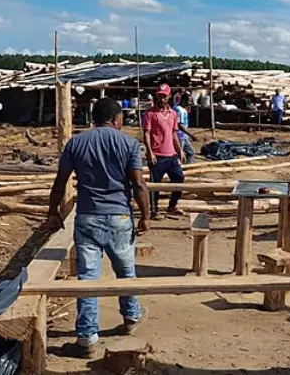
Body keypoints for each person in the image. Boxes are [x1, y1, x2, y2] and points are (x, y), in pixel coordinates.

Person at [46, 98, 150, 357]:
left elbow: (60, 182)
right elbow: (138, 184)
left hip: (88, 217)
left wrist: (52, 212)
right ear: (116, 119)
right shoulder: (128, 143)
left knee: (87, 279)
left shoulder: (77, 143)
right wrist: (146, 215)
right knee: (126, 272)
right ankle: (131, 317)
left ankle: (86, 339)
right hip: (119, 216)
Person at [143, 84, 185, 219]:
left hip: (171, 154)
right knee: (155, 185)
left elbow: (173, 133)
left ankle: (172, 205)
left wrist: (180, 150)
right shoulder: (150, 114)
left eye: (164, 96)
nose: (162, 99)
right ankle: (154, 211)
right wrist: (149, 152)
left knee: (179, 179)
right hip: (157, 155)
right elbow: (146, 134)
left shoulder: (173, 114)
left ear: (169, 96)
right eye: (160, 96)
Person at [172, 94, 198, 164]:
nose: (189, 104)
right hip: (180, 135)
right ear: (183, 100)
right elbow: (180, 125)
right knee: (179, 154)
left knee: (190, 152)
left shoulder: (177, 107)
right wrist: (192, 135)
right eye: (188, 102)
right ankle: (177, 170)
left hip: (183, 135)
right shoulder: (180, 110)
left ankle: (188, 168)